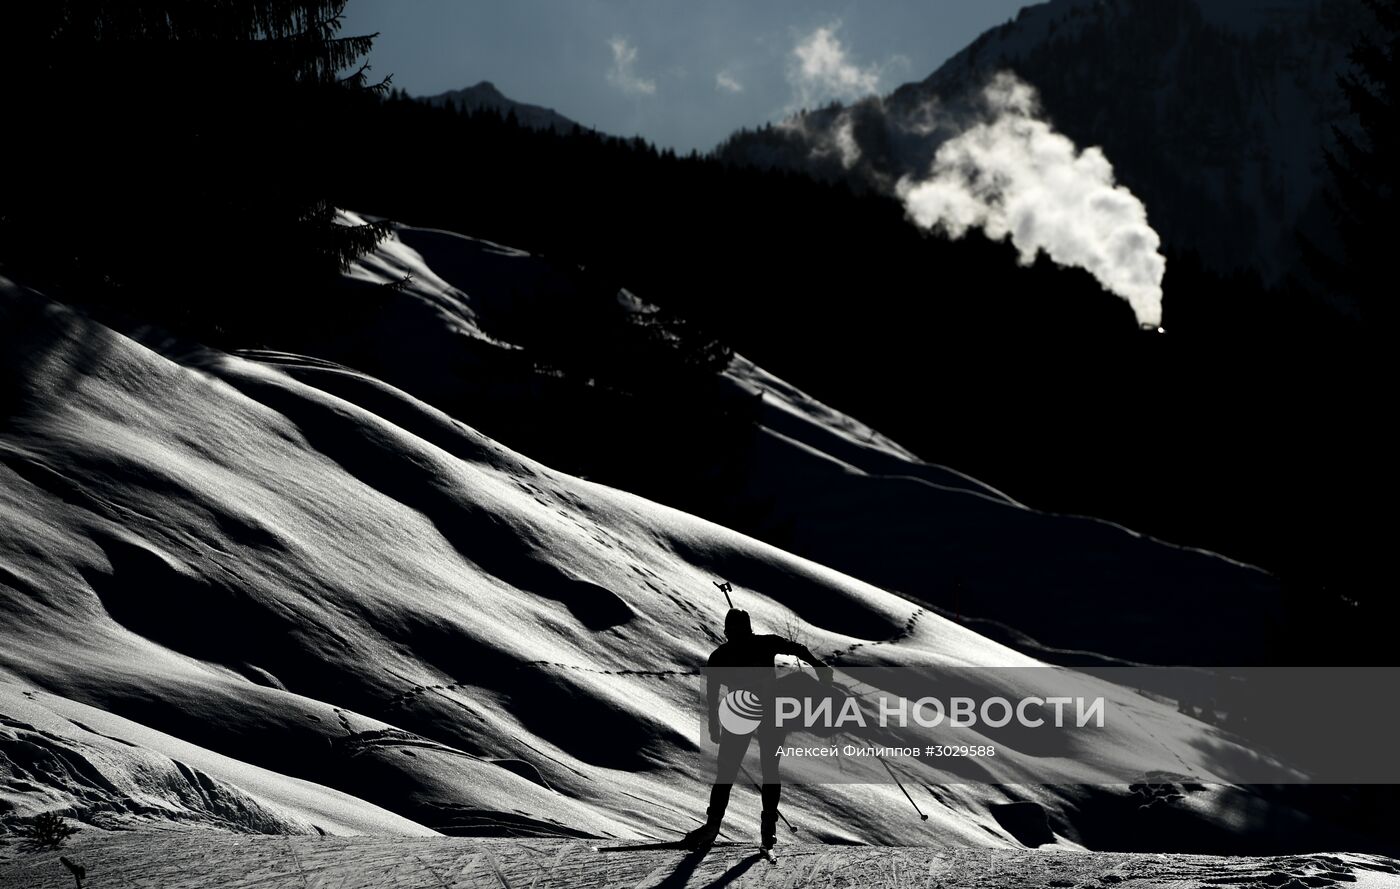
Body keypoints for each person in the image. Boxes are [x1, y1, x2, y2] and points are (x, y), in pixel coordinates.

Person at [682, 608, 833, 850]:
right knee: (766, 768)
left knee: (729, 772)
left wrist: (713, 724)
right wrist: (819, 668)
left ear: (728, 630)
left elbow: (712, 693)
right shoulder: (763, 644)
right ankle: (766, 828)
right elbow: (799, 650)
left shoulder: (721, 655)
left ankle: (715, 825)